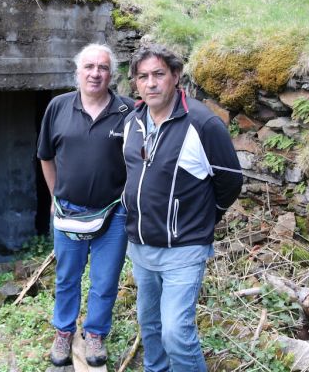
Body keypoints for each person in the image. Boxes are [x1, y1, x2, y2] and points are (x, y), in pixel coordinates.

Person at [121, 44, 243, 372]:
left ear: (175, 76)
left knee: (176, 332)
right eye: (143, 77)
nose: (151, 83)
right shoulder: (133, 121)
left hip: (184, 250)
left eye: (159, 74)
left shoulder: (202, 124)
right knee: (150, 327)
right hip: (141, 249)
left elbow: (230, 182)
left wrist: (203, 218)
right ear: (135, 82)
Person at [37, 43, 134, 367]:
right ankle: (64, 332)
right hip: (68, 213)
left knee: (105, 280)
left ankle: (94, 333)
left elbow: (141, 160)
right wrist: (54, 197)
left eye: (103, 67)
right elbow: (46, 157)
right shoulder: (58, 107)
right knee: (67, 277)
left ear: (112, 74)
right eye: (89, 66)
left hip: (114, 215)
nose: (95, 73)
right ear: (77, 71)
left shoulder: (128, 111)